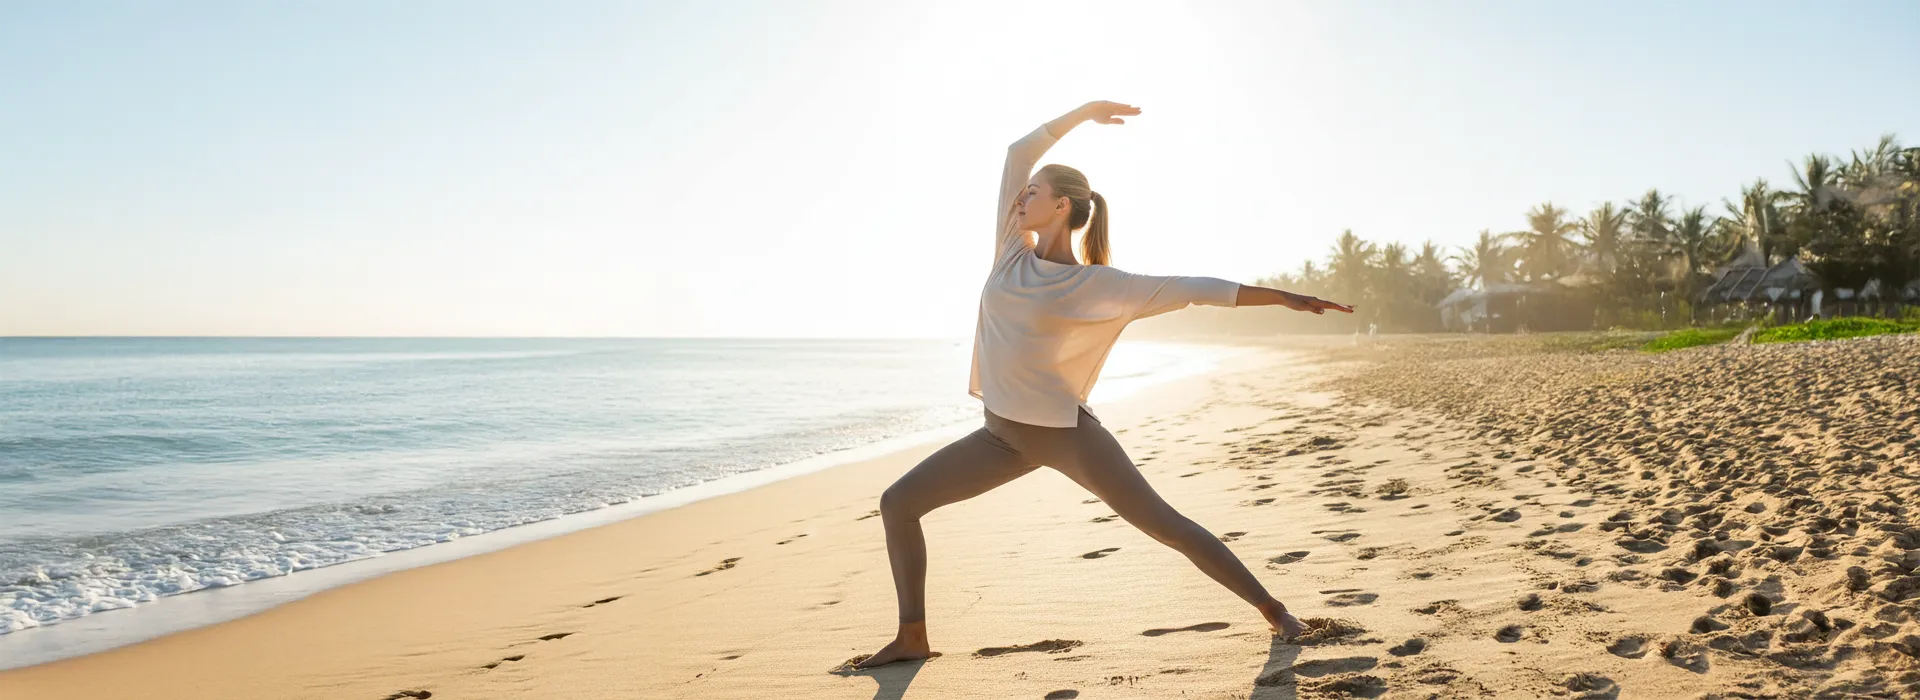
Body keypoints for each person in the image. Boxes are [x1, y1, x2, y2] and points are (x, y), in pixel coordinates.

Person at [853, 101, 1355, 670]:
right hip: (998, 437)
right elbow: (1018, 153)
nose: (1022, 197)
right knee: (899, 503)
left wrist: (1282, 296)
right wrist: (1085, 112)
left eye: (1034, 192)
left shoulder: (1101, 284)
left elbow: (1191, 286)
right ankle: (912, 636)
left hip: (1067, 435)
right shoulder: (1010, 250)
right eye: (1024, 192)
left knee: (1166, 525)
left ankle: (1276, 612)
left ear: (1062, 206)